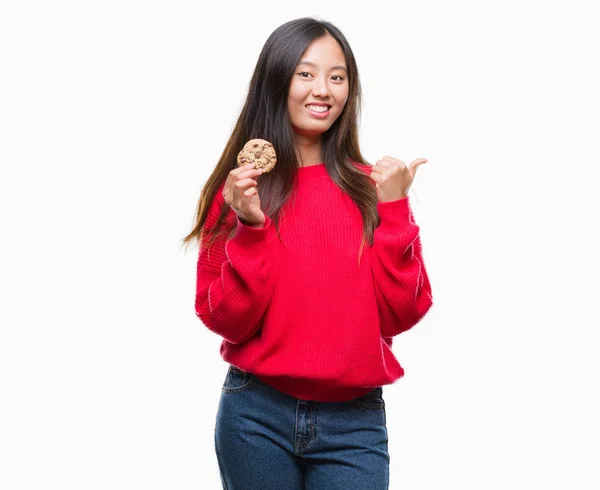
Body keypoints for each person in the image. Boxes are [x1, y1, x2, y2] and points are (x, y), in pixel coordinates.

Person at [182, 16, 433, 490]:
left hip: (354, 424)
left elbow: (401, 313)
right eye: (306, 73)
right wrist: (252, 228)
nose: (323, 90)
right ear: (276, 80)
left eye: (337, 77)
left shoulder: (371, 189)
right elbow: (226, 320)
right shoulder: (239, 191)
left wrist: (396, 210)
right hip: (255, 414)